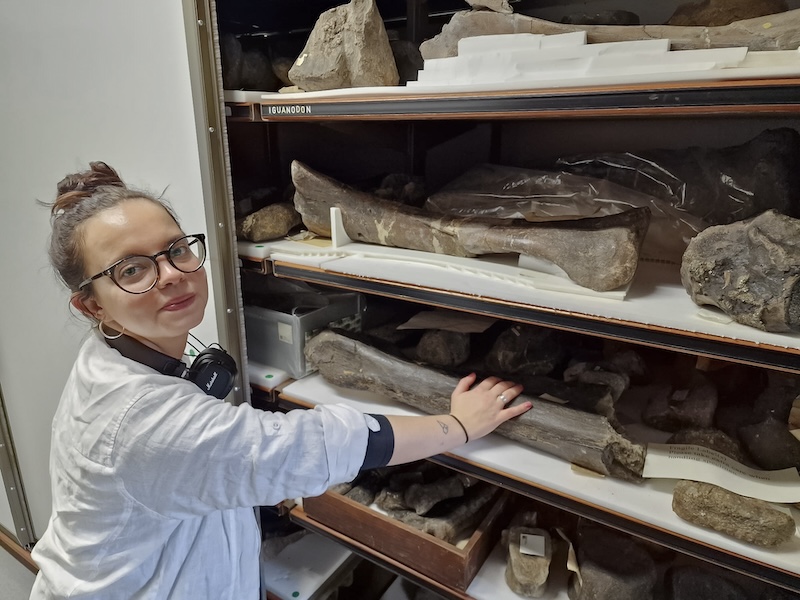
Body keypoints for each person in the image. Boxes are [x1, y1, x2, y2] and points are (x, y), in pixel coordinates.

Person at [30, 161, 532, 599]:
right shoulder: (142, 423)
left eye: (176, 250)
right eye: (132, 269)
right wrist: (457, 427)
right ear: (91, 304)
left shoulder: (111, 355)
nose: (171, 274)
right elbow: (318, 444)